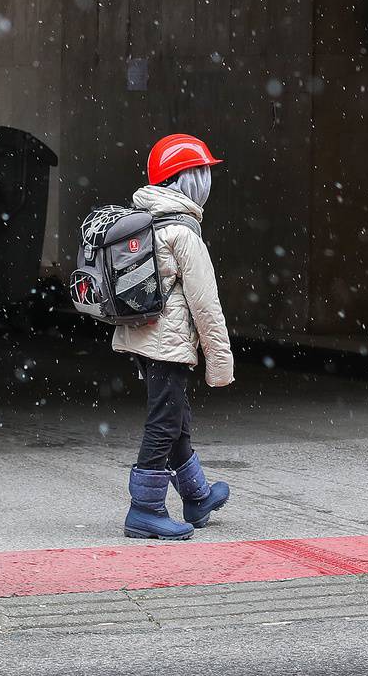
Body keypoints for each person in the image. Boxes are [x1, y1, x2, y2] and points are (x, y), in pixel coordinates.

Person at [115, 132, 236, 540]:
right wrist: (220, 365)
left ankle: (197, 496)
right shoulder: (183, 232)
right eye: (203, 173)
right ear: (190, 179)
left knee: (177, 417)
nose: (208, 181)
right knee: (164, 423)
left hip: (142, 336)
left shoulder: (146, 220)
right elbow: (206, 305)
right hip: (167, 343)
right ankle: (145, 509)